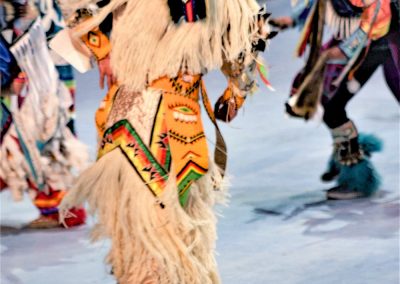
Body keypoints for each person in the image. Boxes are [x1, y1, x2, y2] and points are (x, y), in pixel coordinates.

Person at [59, 0, 270, 282]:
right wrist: (103, 51)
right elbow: (78, 6)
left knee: (179, 225)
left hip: (177, 118)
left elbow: (248, 28)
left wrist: (238, 87)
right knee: (144, 224)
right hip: (134, 115)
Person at [271, 0, 399, 200]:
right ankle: (348, 157)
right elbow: (318, 4)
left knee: (332, 108)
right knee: (326, 104)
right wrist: (293, 19)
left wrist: (347, 49)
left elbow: (379, 12)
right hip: (359, 41)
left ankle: (356, 176)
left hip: (375, 44)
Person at [0, 0, 88, 228]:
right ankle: (59, 202)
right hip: (28, 40)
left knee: (41, 120)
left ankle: (60, 203)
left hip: (30, 47)